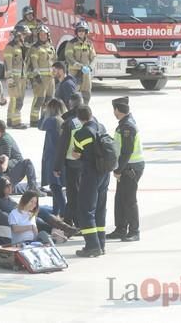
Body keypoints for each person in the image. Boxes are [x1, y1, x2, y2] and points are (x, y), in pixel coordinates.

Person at [71, 105, 108, 257]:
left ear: (79, 119)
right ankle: (101, 244)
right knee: (100, 209)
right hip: (105, 173)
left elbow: (76, 154)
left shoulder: (81, 133)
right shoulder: (101, 127)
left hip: (91, 174)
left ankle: (92, 246)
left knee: (86, 210)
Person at [107, 97, 144, 242]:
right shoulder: (125, 123)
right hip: (127, 166)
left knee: (129, 200)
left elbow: (127, 151)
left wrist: (118, 170)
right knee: (120, 198)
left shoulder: (127, 126)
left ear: (117, 110)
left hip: (130, 167)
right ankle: (121, 228)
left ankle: (134, 231)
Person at [54, 93, 85, 226]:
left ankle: (73, 221)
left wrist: (57, 167)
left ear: (70, 105)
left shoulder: (69, 123)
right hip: (87, 163)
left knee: (73, 194)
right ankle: (74, 220)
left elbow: (62, 146)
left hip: (72, 163)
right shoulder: (90, 119)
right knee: (83, 193)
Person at [0, 120, 40, 193]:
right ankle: (30, 188)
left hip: (15, 167)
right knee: (11, 189)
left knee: (27, 162)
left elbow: (4, 160)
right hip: (10, 168)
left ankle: (34, 189)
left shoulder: (4, 140)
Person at [38, 98, 67, 216]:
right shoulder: (62, 119)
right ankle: (56, 213)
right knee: (57, 186)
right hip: (60, 157)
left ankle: (64, 213)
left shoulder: (52, 120)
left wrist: (43, 112)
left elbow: (40, 125)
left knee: (55, 186)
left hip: (52, 158)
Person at [27, 24, 57, 126]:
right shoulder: (35, 48)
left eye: (44, 34)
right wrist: (36, 76)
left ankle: (44, 119)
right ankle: (34, 120)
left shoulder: (51, 47)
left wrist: (56, 75)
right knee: (39, 99)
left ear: (48, 35)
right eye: (41, 35)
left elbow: (54, 62)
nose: (42, 36)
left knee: (48, 100)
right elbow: (33, 63)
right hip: (40, 79)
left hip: (50, 79)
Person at [3, 24, 30, 129]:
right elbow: (7, 63)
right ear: (18, 35)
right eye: (23, 34)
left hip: (22, 78)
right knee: (16, 100)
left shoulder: (21, 47)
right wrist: (9, 77)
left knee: (17, 99)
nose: (25, 37)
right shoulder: (10, 47)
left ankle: (10, 120)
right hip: (14, 79)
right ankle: (16, 122)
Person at [65, 21, 96, 104]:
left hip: (86, 73)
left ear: (86, 32)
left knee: (86, 92)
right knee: (73, 93)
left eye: (83, 31)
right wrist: (80, 66)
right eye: (79, 31)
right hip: (74, 73)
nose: (81, 32)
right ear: (76, 32)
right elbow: (69, 57)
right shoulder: (71, 43)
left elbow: (93, 58)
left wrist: (90, 67)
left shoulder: (89, 43)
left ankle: (85, 110)